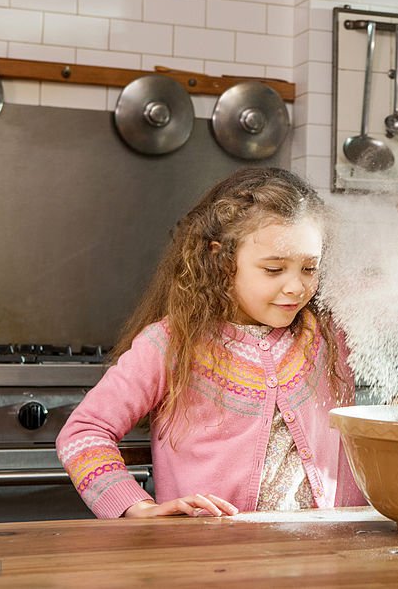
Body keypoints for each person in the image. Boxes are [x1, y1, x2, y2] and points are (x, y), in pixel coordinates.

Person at [56, 168, 365, 518]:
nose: (296, 286)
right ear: (222, 261)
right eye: (274, 270)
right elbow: (84, 432)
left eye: (309, 268)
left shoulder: (331, 333)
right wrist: (135, 507)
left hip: (328, 557)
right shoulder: (171, 343)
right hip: (211, 559)